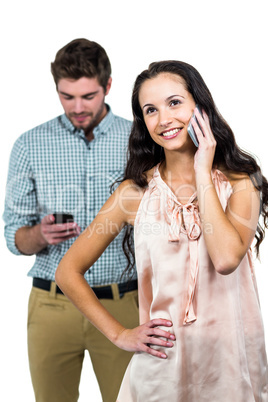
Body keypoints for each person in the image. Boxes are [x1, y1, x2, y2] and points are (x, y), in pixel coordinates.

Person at [55, 60, 268, 401]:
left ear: (199, 107)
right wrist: (120, 334)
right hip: (161, 369)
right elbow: (67, 271)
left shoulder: (242, 181)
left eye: (174, 103)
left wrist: (202, 170)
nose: (164, 119)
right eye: (150, 110)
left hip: (231, 367)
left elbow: (226, 258)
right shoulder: (133, 194)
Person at [3, 38, 139, 402]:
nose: (77, 107)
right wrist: (39, 234)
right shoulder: (29, 144)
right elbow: (12, 237)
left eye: (88, 96)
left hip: (123, 303)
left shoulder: (139, 140)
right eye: (67, 96)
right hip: (52, 306)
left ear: (108, 86)